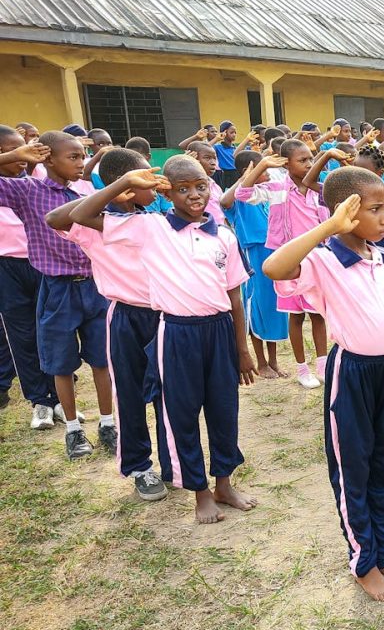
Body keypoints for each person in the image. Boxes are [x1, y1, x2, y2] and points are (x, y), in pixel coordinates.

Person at [68, 156, 257, 522]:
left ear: (210, 184)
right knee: (180, 414)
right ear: (166, 192)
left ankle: (224, 482)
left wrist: (242, 348)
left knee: (224, 410)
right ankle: (199, 490)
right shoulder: (150, 227)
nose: (194, 195)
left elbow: (234, 295)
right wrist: (122, 182)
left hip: (218, 331)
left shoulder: (224, 235)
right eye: (182, 189)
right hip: (176, 331)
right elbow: (81, 216)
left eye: (200, 185)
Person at [263, 167, 384, 601]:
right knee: (355, 468)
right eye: (375, 209)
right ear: (346, 212)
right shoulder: (323, 259)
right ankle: (363, 561)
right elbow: (275, 267)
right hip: (352, 374)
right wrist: (328, 227)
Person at [45, 148, 167, 500]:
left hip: (164, 314)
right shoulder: (91, 223)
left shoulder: (153, 216)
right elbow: (54, 219)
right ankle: (140, 467)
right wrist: (117, 187)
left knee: (169, 395)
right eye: (146, 179)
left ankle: (174, 462)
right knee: (129, 395)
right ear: (125, 184)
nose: (154, 186)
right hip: (126, 316)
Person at [0, 131, 113, 459]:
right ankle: (74, 430)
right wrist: (15, 154)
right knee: (61, 363)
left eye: (82, 156)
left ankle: (108, 424)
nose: (82, 163)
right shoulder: (27, 191)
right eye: (73, 157)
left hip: (94, 285)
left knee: (103, 359)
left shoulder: (85, 190)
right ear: (47, 159)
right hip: (57, 289)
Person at [236, 139, 330, 388]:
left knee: (318, 315)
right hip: (289, 263)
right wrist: (262, 164)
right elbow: (242, 194)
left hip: (316, 260)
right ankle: (302, 369)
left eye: (311, 159)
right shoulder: (278, 189)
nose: (309, 164)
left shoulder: (318, 191)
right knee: (296, 316)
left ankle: (323, 365)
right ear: (286, 164)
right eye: (302, 160)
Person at [0, 125, 59, 429]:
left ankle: (58, 396)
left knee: (48, 331)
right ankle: (40, 401)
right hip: (6, 268)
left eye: (24, 148)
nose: (22, 157)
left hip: (40, 263)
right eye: (12, 151)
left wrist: (29, 159)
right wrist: (15, 153)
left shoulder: (34, 182)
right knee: (21, 335)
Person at [221, 150, 290, 378]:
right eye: (264, 169)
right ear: (248, 172)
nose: (269, 173)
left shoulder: (267, 192)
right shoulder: (240, 196)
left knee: (274, 306)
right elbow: (225, 201)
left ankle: (273, 361)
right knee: (256, 305)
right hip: (254, 253)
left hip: (274, 251)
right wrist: (247, 178)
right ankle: (260, 362)